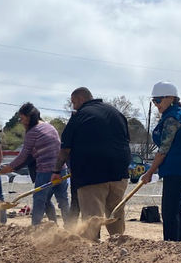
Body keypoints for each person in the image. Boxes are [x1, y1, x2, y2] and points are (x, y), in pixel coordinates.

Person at [52, 87, 131, 241]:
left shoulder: (78, 117)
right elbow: (126, 140)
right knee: (115, 211)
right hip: (119, 172)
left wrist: (56, 171)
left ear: (81, 99)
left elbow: (65, 149)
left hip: (91, 174)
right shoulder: (116, 113)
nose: (74, 106)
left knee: (92, 215)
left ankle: (92, 248)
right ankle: (119, 245)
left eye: (74, 103)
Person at [0, 103, 70, 227]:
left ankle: (35, 229)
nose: (22, 122)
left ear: (30, 117)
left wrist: (9, 168)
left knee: (39, 200)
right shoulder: (49, 126)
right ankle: (69, 227)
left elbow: (23, 156)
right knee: (63, 201)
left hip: (46, 171)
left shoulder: (32, 133)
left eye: (22, 119)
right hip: (61, 169)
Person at [140, 81, 181, 242]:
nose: (156, 104)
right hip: (180, 166)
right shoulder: (178, 113)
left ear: (170, 98)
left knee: (169, 210)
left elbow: (163, 150)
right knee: (177, 207)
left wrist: (150, 172)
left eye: (158, 100)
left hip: (175, 167)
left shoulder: (172, 118)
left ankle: (171, 245)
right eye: (154, 101)